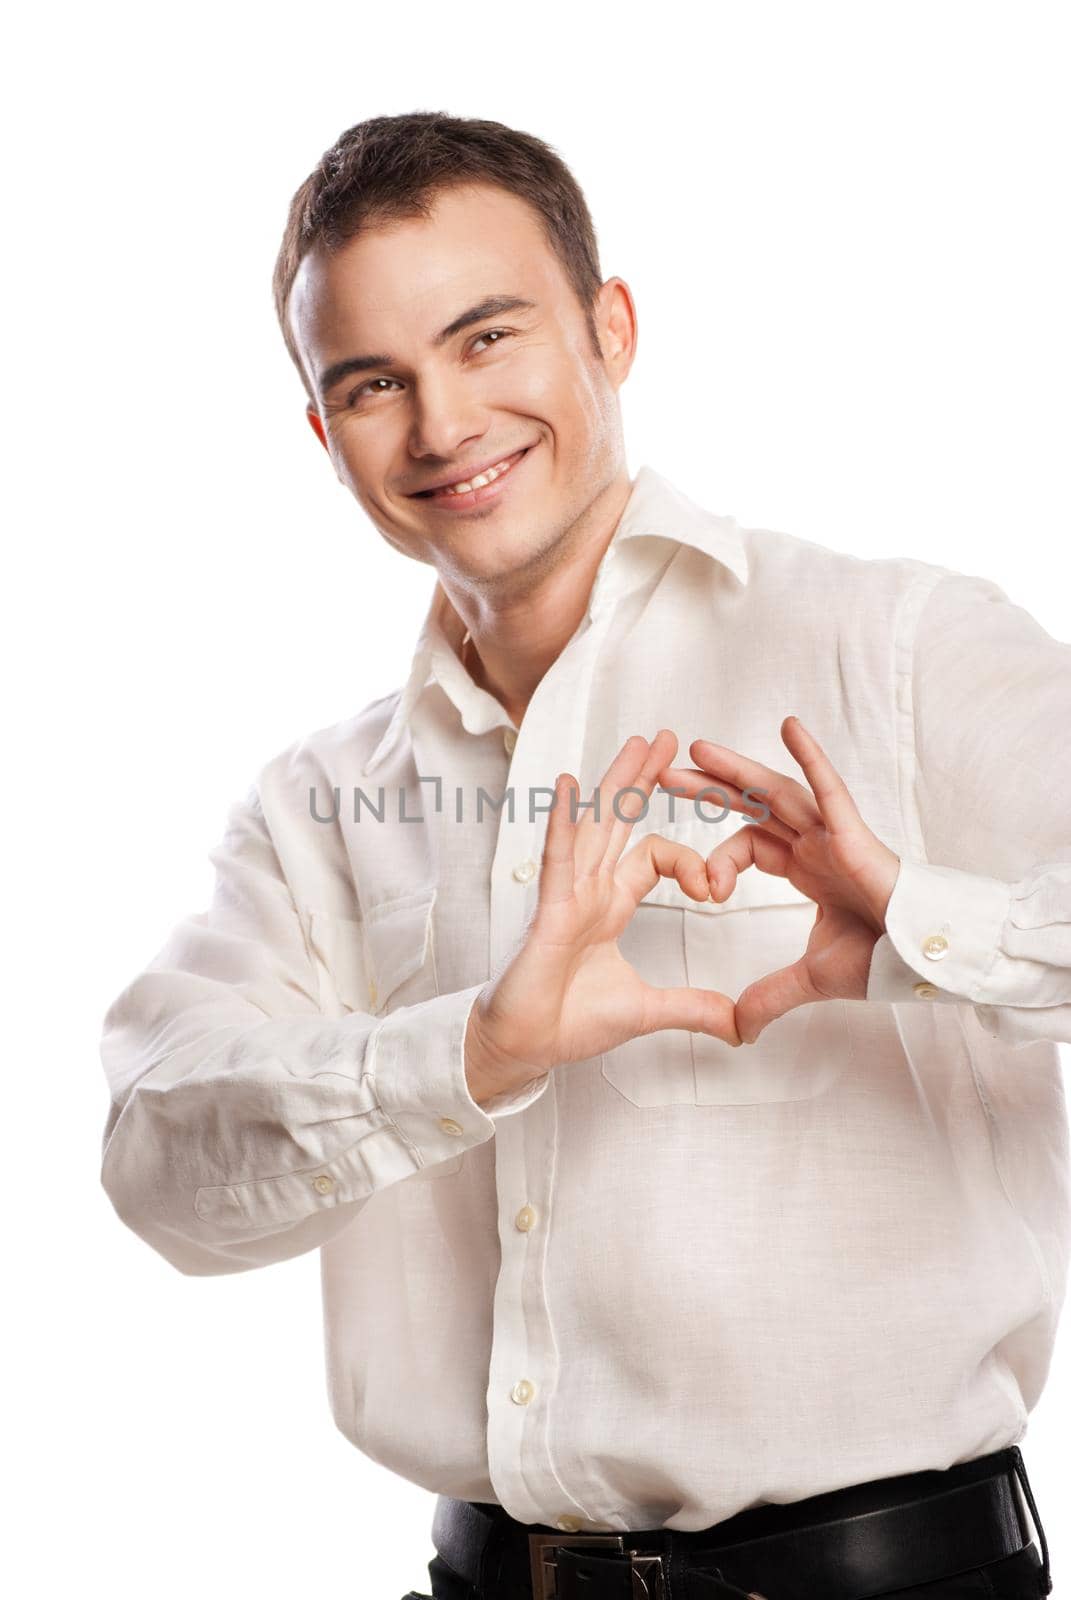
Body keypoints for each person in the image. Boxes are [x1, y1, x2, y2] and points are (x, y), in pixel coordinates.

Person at [98, 111, 1068, 1600]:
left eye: (487, 338)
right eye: (372, 383)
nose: (439, 426)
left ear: (610, 328)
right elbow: (160, 1165)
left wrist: (924, 927)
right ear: (322, 431)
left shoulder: (891, 648)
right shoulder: (320, 801)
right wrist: (473, 1055)